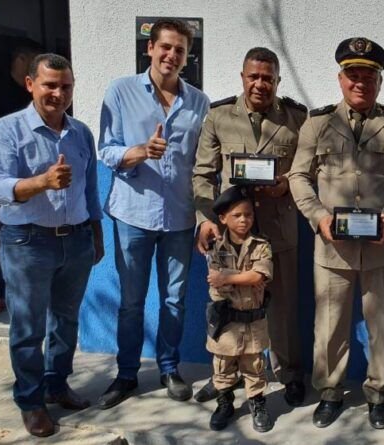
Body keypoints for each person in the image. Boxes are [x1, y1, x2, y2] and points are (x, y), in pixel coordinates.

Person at [288, 37, 384, 429]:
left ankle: (378, 394)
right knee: (329, 326)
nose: (360, 82)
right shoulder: (318, 123)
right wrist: (318, 216)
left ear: (379, 82)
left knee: (382, 326)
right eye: (353, 75)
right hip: (332, 246)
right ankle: (330, 392)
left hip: (383, 244)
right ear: (340, 79)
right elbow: (299, 175)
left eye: (368, 75)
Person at [0, 53, 103, 437]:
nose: (58, 93)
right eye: (50, 85)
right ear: (30, 84)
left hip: (77, 240)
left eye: (65, 86)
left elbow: (89, 188)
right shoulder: (7, 129)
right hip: (27, 243)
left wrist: (95, 233)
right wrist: (42, 182)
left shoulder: (81, 132)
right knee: (28, 327)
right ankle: (31, 401)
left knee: (66, 321)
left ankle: (56, 384)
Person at [96, 18, 210, 409]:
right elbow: (106, 150)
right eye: (165, 47)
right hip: (133, 215)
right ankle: (126, 374)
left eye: (179, 50)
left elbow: (202, 162)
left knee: (174, 300)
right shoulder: (121, 91)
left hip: (179, 217)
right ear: (150, 48)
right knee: (131, 300)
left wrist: (207, 212)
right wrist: (140, 151)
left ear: (186, 57)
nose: (171, 55)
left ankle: (168, 367)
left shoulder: (199, 101)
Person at [193, 47, 307, 405]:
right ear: (242, 77)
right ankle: (225, 377)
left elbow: (308, 168)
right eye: (254, 77)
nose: (260, 84)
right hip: (231, 235)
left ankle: (289, 374)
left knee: (284, 308)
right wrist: (206, 220)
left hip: (277, 225)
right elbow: (203, 173)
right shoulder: (219, 116)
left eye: (268, 78)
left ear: (277, 80)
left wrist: (285, 182)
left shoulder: (296, 118)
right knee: (228, 304)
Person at [0, 42, 42, 319]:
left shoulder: (17, 97)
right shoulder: (0, 101)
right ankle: (2, 296)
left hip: (26, 200)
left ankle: (8, 295)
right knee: (0, 241)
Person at [204, 186, 274, 432]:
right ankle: (225, 403)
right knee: (223, 366)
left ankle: (257, 403)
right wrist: (232, 278)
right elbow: (216, 286)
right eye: (237, 215)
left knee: (254, 367)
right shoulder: (215, 249)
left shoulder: (261, 245)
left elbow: (259, 276)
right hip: (226, 323)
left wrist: (227, 277)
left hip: (253, 321)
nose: (244, 220)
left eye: (248, 215)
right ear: (223, 218)